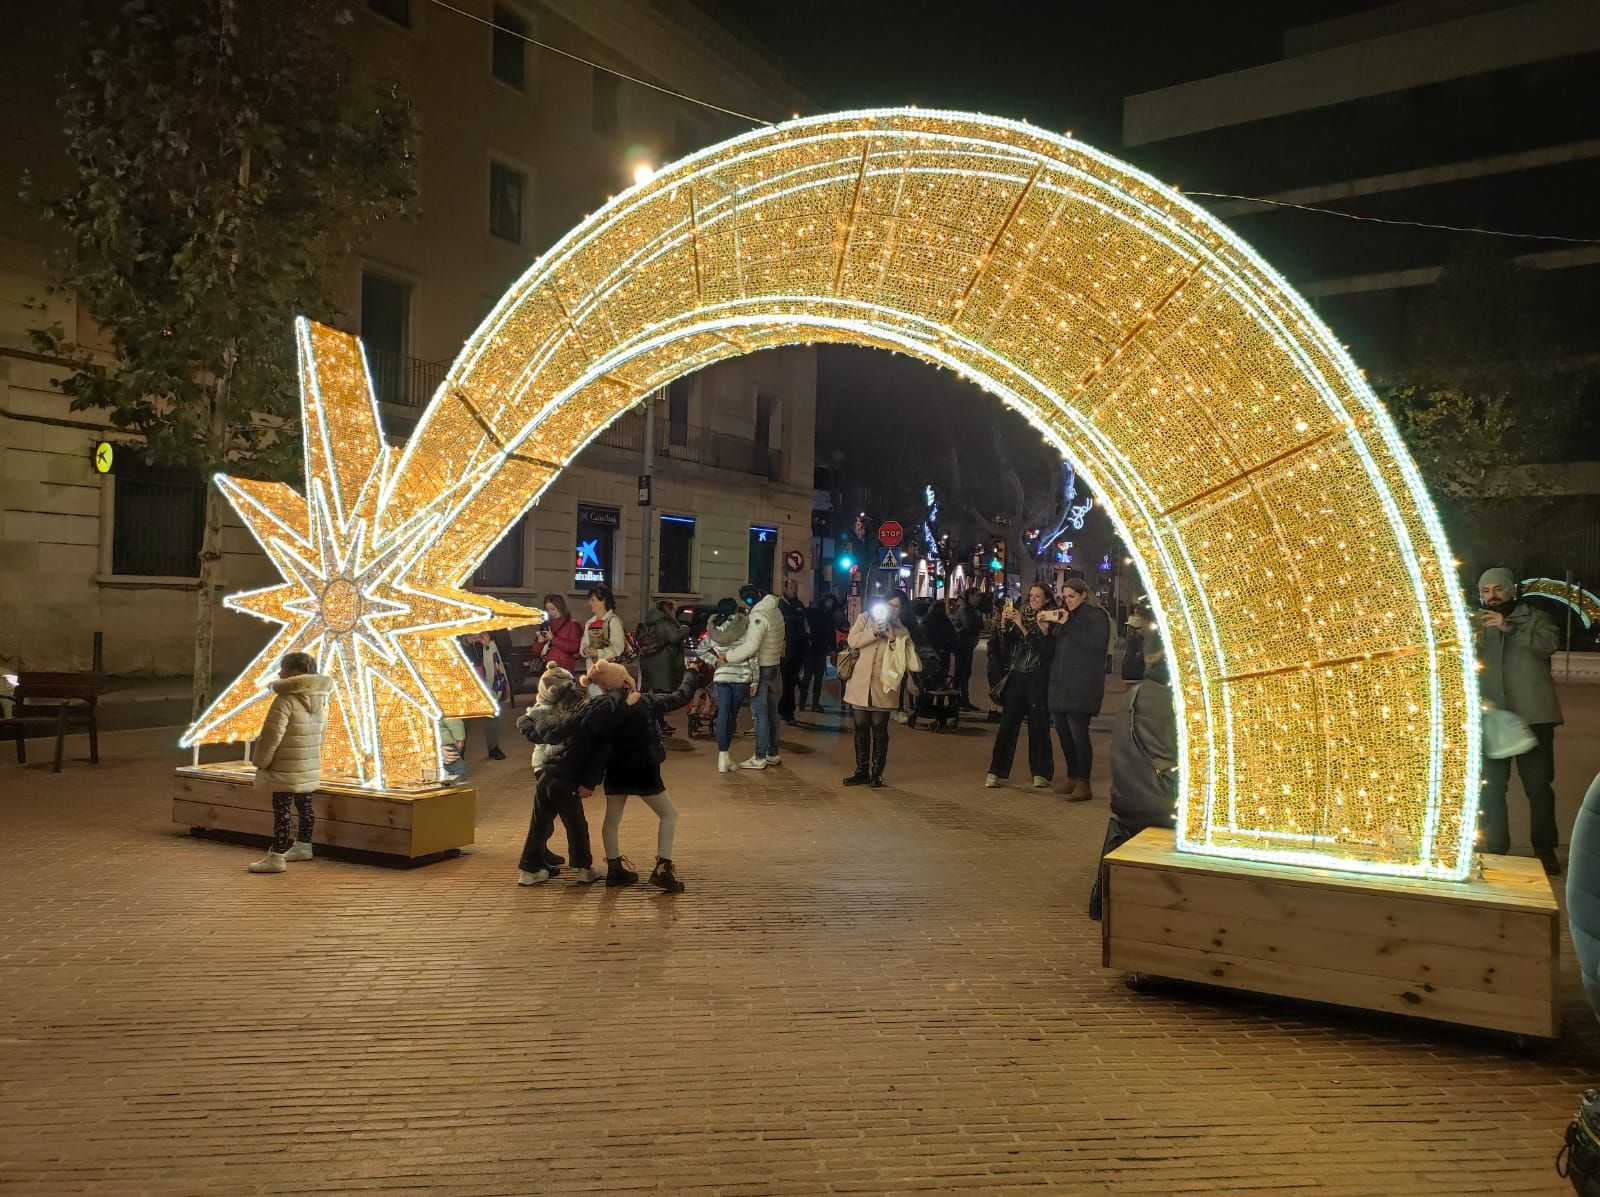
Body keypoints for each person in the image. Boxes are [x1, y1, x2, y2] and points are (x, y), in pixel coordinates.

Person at [1475, 566, 1564, 875]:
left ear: (1511, 590)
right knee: (1491, 788)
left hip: (1533, 716)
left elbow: (1547, 645)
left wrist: (1508, 628)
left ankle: (1544, 850)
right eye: (1485, 591)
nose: (1492, 596)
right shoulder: (1476, 624)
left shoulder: (1535, 618)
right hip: (1491, 718)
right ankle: (1497, 847)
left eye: (1498, 589)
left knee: (1538, 787)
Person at [583, 657, 697, 892]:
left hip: (615, 769)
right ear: (625, 679)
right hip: (644, 769)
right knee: (668, 814)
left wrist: (591, 779)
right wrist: (691, 673)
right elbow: (679, 697)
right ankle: (662, 869)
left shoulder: (603, 707)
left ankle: (615, 869)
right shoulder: (644, 701)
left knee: (612, 819)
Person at [1088, 640, 1178, 921]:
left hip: (1124, 797)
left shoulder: (1134, 696)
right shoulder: (1177, 703)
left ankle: (1100, 897)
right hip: (1161, 802)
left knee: (1122, 825)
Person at [514, 666, 607, 887]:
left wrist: (528, 720)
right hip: (566, 779)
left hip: (547, 774)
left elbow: (532, 729)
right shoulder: (578, 720)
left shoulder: (548, 718)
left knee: (539, 823)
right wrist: (589, 782)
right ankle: (584, 868)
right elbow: (596, 755)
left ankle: (529, 868)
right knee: (575, 824)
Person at [247, 651, 335, 874]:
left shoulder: (286, 698)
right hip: (307, 761)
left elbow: (271, 736)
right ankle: (304, 845)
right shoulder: (322, 696)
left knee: (282, 807)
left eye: (282, 668)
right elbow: (322, 733)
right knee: (305, 804)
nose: (279, 672)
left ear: (294, 671)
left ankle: (276, 856)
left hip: (284, 762)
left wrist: (261, 761)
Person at [841, 591, 920, 787]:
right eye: (889, 604)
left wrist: (892, 638)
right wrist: (873, 632)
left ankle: (877, 773)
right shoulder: (865, 619)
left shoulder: (902, 630)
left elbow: (904, 659)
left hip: (884, 686)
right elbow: (852, 641)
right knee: (860, 727)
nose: (891, 609)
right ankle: (861, 770)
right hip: (860, 683)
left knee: (879, 729)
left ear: (901, 610)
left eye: (896, 606)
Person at [1043, 578, 1111, 801]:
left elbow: (1095, 644)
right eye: (1065, 597)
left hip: (1082, 684)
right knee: (1063, 732)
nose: (1068, 601)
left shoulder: (1096, 615)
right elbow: (1056, 646)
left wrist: (1068, 624)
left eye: (1072, 596)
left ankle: (1084, 781)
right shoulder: (1067, 617)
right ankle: (1072, 775)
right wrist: (1048, 627)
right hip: (1061, 683)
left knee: (1078, 733)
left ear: (1083, 594)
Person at [985, 584, 1056, 790]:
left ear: (1046, 599)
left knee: (1039, 726)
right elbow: (1006, 649)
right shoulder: (1021, 615)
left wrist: (1024, 627)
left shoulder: (1050, 618)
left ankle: (1041, 772)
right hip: (1017, 676)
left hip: (1037, 677)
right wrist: (1004, 626)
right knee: (1007, 725)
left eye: (1037, 596)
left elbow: (1045, 651)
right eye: (1031, 595)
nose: (1033, 599)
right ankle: (996, 771)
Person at [722, 583, 784, 769]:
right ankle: (772, 753)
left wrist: (728, 657)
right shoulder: (775, 610)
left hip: (762, 667)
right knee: (772, 711)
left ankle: (759, 757)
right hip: (775, 664)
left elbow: (751, 646)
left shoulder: (758, 616)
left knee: (759, 713)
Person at [703, 601, 757, 774]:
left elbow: (700, 650)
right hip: (740, 678)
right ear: (736, 610)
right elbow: (752, 654)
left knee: (723, 715)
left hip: (721, 677)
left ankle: (722, 756)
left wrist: (715, 661)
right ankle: (725, 756)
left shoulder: (715, 629)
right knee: (731, 716)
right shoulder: (744, 627)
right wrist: (755, 679)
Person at [639, 598, 689, 734]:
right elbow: (674, 637)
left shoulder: (649, 621)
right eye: (675, 609)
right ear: (669, 609)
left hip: (648, 662)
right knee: (662, 697)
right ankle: (656, 724)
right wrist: (685, 628)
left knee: (654, 696)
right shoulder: (665, 622)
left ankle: (658, 723)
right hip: (662, 664)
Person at [465, 630, 511, 760]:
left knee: (491, 709)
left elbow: (506, 645)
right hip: (465, 667)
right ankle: (459, 749)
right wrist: (466, 641)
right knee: (462, 713)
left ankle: (493, 747)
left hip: (488, 668)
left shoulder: (493, 619)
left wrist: (490, 640)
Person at [580, 584, 627, 694]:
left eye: (593, 600)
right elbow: (584, 643)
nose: (590, 603)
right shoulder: (590, 622)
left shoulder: (614, 621)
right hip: (592, 671)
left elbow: (618, 647)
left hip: (609, 672)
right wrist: (584, 650)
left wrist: (598, 653)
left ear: (603, 601)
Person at [776, 578, 809, 725]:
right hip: (785, 650)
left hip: (798, 650)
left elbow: (805, 627)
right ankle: (787, 712)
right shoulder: (779, 606)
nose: (794, 591)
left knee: (791, 682)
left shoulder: (799, 605)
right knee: (788, 683)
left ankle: (784, 710)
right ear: (785, 588)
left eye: (795, 588)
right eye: (791, 588)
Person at [800, 592, 841, 712]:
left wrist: (833, 648)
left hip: (821, 650)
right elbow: (804, 621)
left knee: (818, 678)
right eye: (828, 601)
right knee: (807, 677)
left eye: (831, 602)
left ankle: (815, 703)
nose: (830, 604)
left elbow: (831, 634)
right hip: (811, 649)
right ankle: (803, 702)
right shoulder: (814, 612)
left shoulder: (829, 616)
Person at [952, 587, 984, 711]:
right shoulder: (965, 609)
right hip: (962, 645)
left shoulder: (971, 609)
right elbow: (969, 626)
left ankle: (961, 699)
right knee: (961, 674)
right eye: (977, 595)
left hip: (966, 645)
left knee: (964, 673)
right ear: (970, 596)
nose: (979, 598)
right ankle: (958, 700)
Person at [535, 593, 583, 674]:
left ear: (560, 607)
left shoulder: (572, 625)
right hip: (548, 668)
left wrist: (553, 639)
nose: (550, 613)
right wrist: (539, 642)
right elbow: (536, 651)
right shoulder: (546, 625)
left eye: (553, 609)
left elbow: (575, 648)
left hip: (564, 668)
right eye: (548, 610)